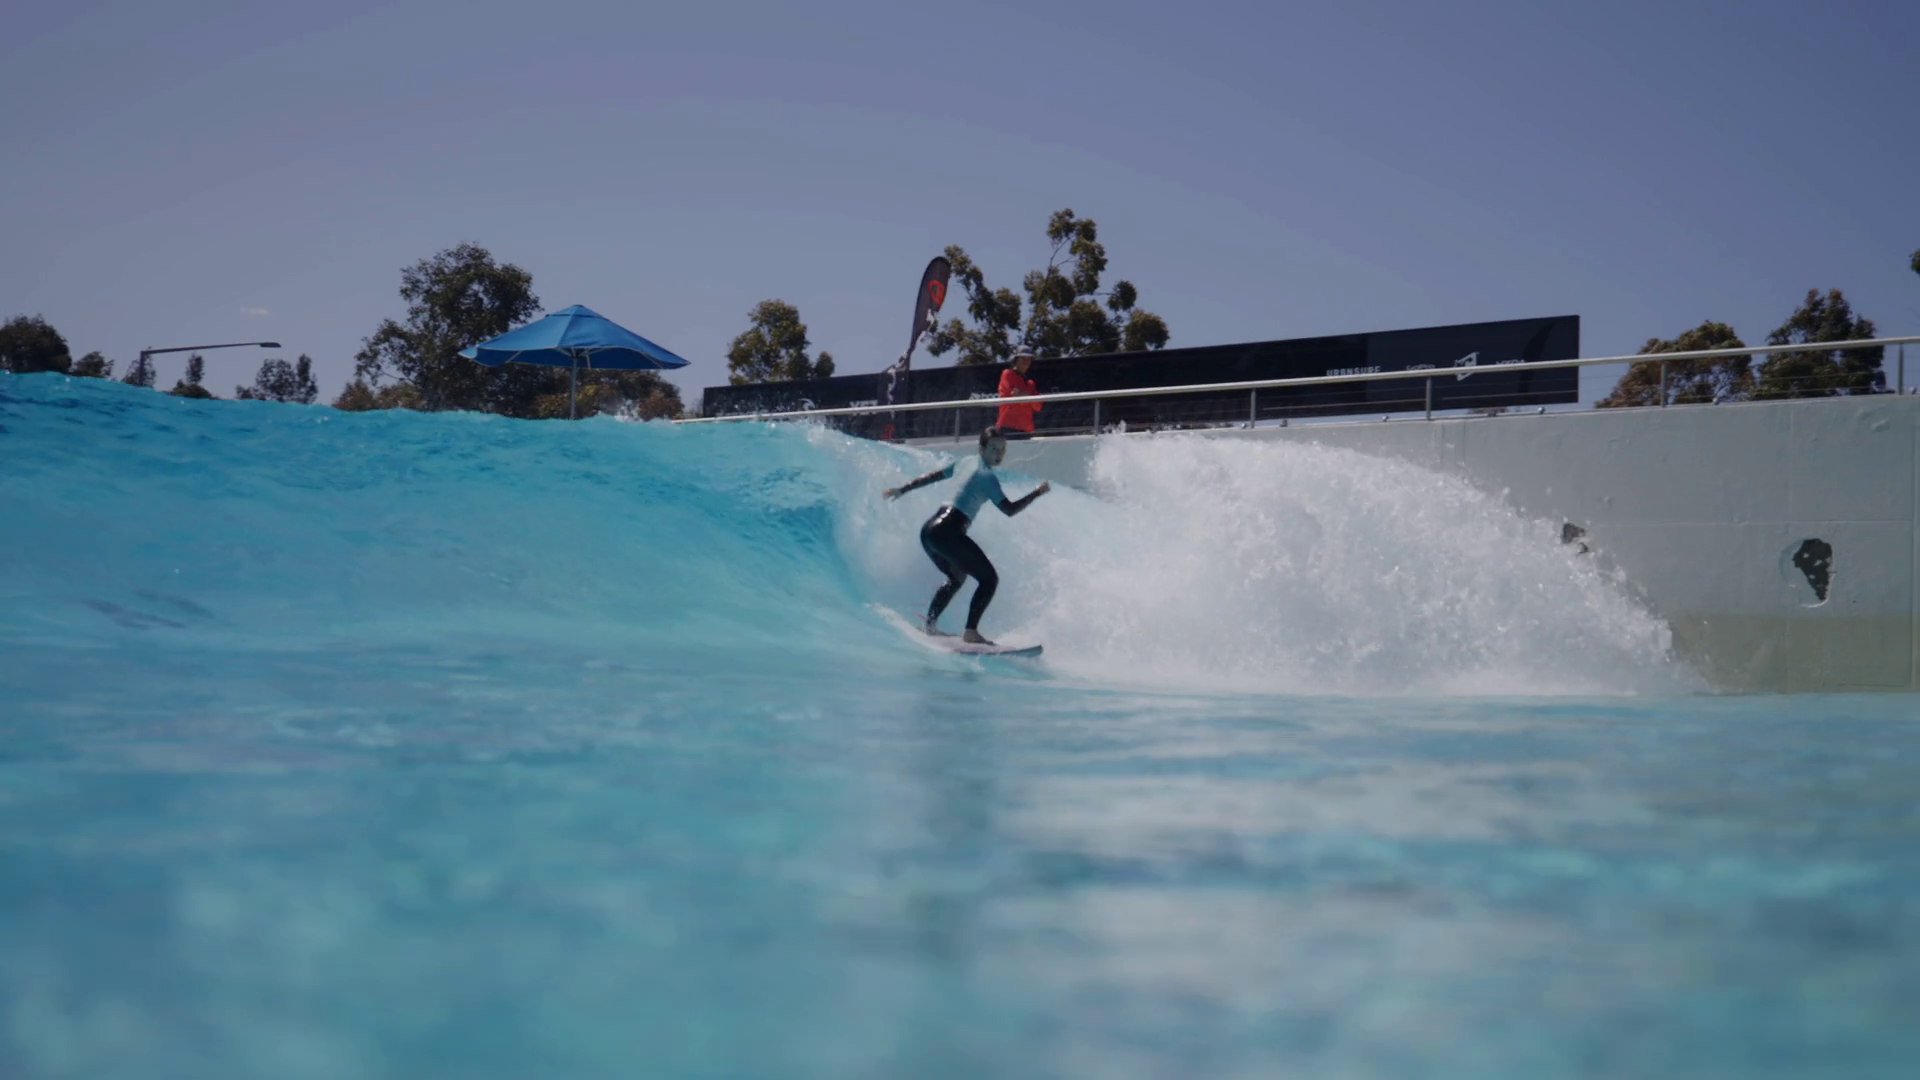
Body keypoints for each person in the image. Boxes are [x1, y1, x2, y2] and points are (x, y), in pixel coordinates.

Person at [883, 426, 1051, 644]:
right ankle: (971, 632)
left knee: (956, 578)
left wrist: (903, 489)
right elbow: (1009, 510)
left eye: (1002, 449)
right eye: (993, 448)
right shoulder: (986, 476)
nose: (999, 454)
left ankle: (929, 626)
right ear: (981, 449)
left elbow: (932, 477)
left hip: (929, 531)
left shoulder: (964, 462)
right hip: (949, 530)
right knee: (989, 579)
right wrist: (1037, 493)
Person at [996, 345, 1041, 438]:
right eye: (1023, 358)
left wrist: (1025, 396)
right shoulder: (1007, 374)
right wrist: (1030, 399)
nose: (1026, 361)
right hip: (1007, 428)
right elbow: (1014, 394)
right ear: (1015, 359)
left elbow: (1038, 406)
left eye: (1029, 359)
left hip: (1026, 430)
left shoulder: (1030, 383)